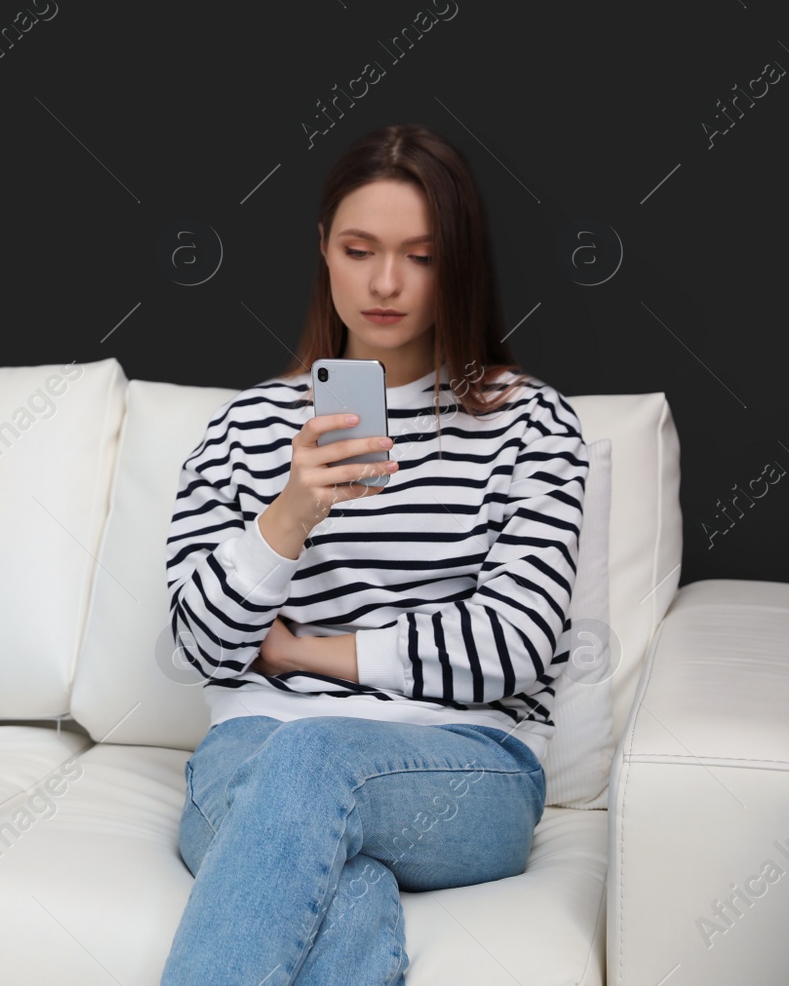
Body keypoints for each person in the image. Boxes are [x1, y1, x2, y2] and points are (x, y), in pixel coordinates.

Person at [160, 123, 589, 984]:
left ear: (459, 262)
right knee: (340, 882)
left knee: (314, 758)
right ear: (324, 250)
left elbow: (513, 644)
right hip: (254, 756)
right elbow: (189, 648)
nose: (385, 283)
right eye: (359, 250)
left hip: (464, 768)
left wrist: (300, 652)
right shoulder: (245, 428)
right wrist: (290, 513)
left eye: (420, 257)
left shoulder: (533, 424)